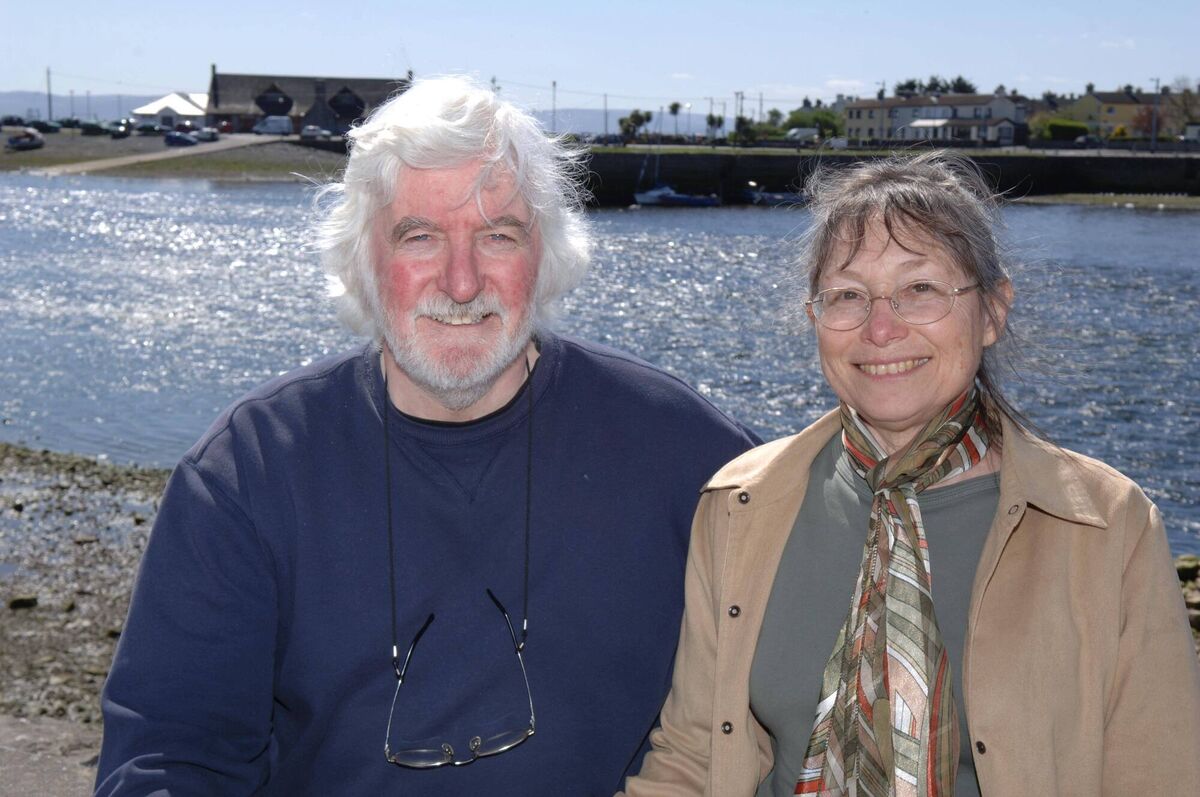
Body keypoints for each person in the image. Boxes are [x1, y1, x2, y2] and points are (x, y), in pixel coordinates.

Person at [95, 76, 758, 795]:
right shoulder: (250, 471)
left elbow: (812, 663)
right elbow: (170, 758)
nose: (463, 281)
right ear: (363, 260)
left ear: (548, 256)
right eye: (420, 236)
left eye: (498, 235)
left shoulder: (685, 451)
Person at [620, 152, 1200, 796]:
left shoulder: (1105, 524)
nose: (881, 328)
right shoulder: (739, 505)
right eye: (848, 295)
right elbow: (693, 759)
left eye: (920, 289)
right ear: (815, 319)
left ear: (993, 311)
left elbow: (1159, 772)